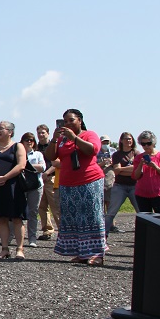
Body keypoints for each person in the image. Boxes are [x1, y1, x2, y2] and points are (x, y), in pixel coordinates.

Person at [44, 108, 106, 265]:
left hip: (89, 180)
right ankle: (81, 252)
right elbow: (50, 156)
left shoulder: (89, 134)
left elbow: (93, 150)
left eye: (71, 120)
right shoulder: (62, 139)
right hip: (67, 183)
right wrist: (54, 139)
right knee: (73, 217)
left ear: (80, 120)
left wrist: (75, 138)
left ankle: (97, 254)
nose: (68, 123)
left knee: (92, 216)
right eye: (65, 121)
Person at [0, 121, 27, 259]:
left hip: (14, 186)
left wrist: (5, 177)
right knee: (2, 218)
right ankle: (4, 248)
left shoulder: (17, 146)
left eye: (1, 128)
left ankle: (20, 249)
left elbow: (21, 165)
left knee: (17, 218)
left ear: (10, 131)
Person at [105, 132, 140, 234]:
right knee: (111, 211)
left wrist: (122, 169)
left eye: (129, 139)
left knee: (141, 211)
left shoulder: (137, 153)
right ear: (121, 140)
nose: (128, 141)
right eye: (125, 139)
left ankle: (145, 234)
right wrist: (129, 169)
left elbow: (137, 169)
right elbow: (116, 171)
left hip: (135, 185)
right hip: (119, 186)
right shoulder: (117, 154)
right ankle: (103, 235)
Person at [132, 131, 160, 214]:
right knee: (145, 219)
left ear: (153, 143)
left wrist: (156, 167)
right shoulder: (139, 158)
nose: (146, 146)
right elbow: (135, 176)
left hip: (159, 193)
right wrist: (140, 165)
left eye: (148, 143)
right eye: (143, 144)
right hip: (142, 193)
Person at [21, 132, 46, 247]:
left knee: (33, 212)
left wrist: (24, 165)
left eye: (31, 140)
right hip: (21, 186)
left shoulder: (38, 154)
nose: (29, 142)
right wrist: (32, 166)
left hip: (36, 186)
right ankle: (12, 237)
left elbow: (43, 167)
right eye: (27, 140)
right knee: (17, 212)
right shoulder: (18, 154)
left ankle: (32, 239)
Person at [36, 124, 59, 239]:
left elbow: (57, 162)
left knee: (55, 205)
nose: (40, 135)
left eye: (43, 132)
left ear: (48, 133)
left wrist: (47, 173)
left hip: (51, 178)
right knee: (42, 206)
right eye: (39, 133)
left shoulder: (54, 145)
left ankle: (63, 230)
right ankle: (47, 230)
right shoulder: (36, 148)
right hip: (39, 180)